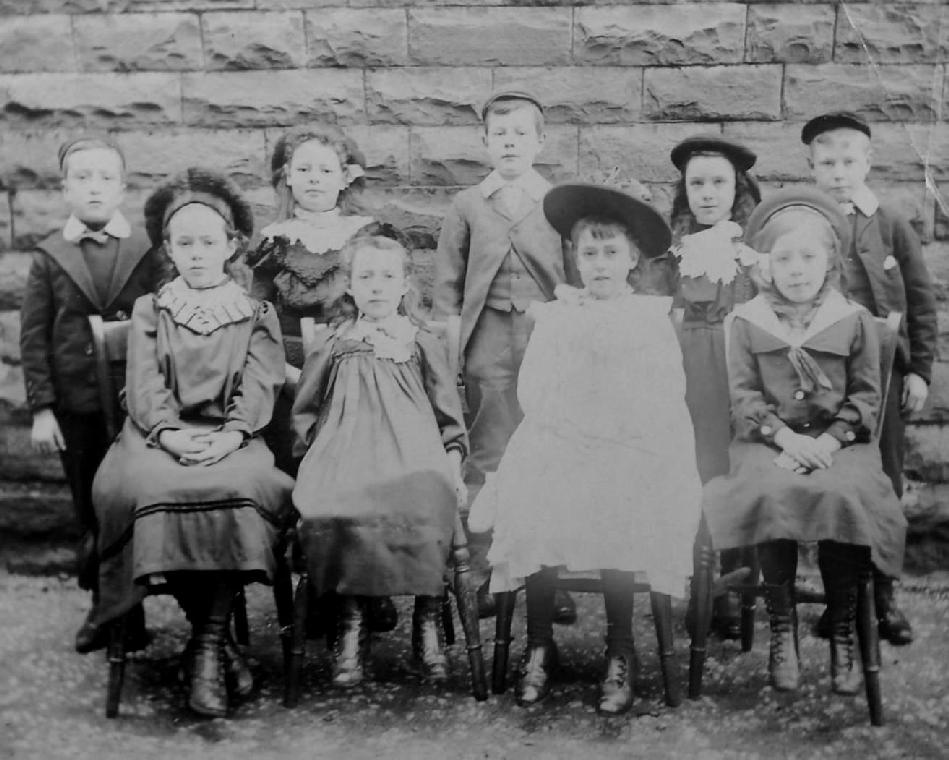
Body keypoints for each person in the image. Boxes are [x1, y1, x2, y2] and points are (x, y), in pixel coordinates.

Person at [468, 184, 702, 715]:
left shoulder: (648, 317)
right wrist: (570, 426)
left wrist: (618, 429)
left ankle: (621, 647)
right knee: (537, 494)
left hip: (632, 442)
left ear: (632, 259)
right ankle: (540, 643)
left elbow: (665, 391)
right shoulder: (556, 315)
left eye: (611, 253)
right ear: (575, 257)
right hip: (562, 435)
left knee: (617, 500)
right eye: (589, 253)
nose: (599, 264)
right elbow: (535, 390)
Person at [88, 169, 296, 718]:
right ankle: (215, 645)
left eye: (209, 242)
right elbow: (145, 386)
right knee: (150, 489)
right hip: (155, 439)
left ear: (231, 247)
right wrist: (172, 435)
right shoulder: (150, 311)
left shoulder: (256, 315)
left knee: (236, 487)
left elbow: (259, 384)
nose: (198, 254)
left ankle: (204, 646)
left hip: (232, 438)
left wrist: (230, 435)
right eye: (186, 244)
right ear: (169, 249)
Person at [702, 188, 907, 695]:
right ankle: (782, 626)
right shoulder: (748, 322)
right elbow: (744, 398)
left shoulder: (852, 320)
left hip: (841, 443)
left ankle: (840, 629)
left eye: (808, 257)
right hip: (767, 442)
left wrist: (831, 442)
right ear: (766, 266)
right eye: (784, 259)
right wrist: (785, 437)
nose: (797, 269)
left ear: (829, 261)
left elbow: (865, 398)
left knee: (842, 495)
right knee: (771, 493)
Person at [292, 235, 468, 687]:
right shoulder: (335, 343)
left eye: (388, 276)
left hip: (414, 451)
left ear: (405, 283)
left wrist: (452, 460)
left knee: (428, 493)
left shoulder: (421, 341)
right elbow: (305, 409)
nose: (376, 286)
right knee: (341, 499)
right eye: (365, 276)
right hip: (347, 449)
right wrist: (315, 451)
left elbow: (449, 415)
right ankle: (351, 624)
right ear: (349, 285)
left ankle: (427, 620)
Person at [433, 89, 580, 623]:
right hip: (487, 340)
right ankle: (489, 572)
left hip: (548, 340)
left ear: (540, 141)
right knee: (490, 453)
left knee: (551, 450)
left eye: (521, 133)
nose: (511, 142)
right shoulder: (468, 204)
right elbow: (447, 286)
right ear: (485, 142)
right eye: (501, 135)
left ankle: (551, 576)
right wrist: (449, 355)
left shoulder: (559, 202)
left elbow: (575, 274)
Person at [247, 124, 399, 634]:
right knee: (300, 478)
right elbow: (255, 322)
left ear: (344, 178)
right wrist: (289, 376)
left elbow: (388, 309)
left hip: (355, 369)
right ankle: (314, 584)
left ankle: (368, 583)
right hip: (290, 381)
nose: (314, 179)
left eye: (325, 170)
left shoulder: (368, 235)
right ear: (287, 177)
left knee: (362, 472)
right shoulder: (272, 244)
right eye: (304, 169)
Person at [19, 135, 165, 653]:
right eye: (82, 177)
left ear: (122, 188)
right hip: (77, 408)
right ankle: (106, 610)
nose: (94, 187)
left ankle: (131, 607)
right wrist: (42, 408)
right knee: (90, 509)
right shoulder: (50, 256)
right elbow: (34, 336)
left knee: (131, 502)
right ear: (65, 190)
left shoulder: (145, 248)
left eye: (105, 177)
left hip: (135, 404)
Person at [803, 111, 936, 646]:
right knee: (835, 482)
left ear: (868, 161)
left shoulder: (890, 222)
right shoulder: (805, 221)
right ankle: (839, 603)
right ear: (812, 166)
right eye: (827, 162)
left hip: (883, 376)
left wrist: (919, 370)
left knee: (883, 483)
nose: (839, 172)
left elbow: (921, 301)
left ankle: (883, 600)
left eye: (849, 160)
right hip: (822, 379)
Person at [656, 135, 762, 639]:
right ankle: (698, 580)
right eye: (696, 184)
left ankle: (736, 583)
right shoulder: (672, 252)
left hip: (736, 368)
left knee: (735, 467)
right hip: (685, 372)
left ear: (736, 188)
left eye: (718, 183)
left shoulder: (750, 252)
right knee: (691, 469)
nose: (707, 193)